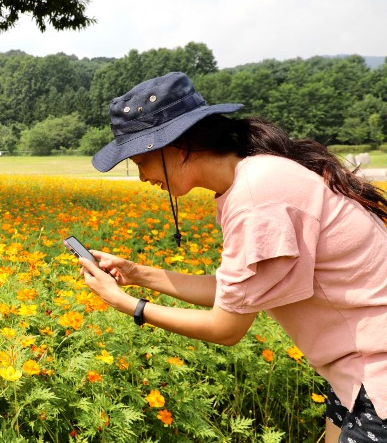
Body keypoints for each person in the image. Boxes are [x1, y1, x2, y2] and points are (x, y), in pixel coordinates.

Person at [79, 71, 387, 443]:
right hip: (356, 373)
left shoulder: (257, 197)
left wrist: (127, 304)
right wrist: (137, 273)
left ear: (176, 147)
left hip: (377, 373)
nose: (142, 177)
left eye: (138, 161)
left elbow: (227, 329)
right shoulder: (254, 177)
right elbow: (233, 292)